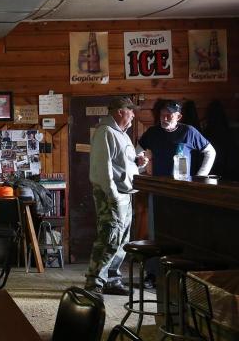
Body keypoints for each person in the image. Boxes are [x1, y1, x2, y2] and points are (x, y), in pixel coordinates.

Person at [136, 99, 216, 287]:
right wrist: (141, 163)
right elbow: (137, 152)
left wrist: (200, 177)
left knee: (182, 233)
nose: (165, 118)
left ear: (178, 116)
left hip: (182, 191)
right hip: (159, 189)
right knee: (156, 233)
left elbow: (210, 152)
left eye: (169, 115)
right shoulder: (152, 132)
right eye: (162, 114)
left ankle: (180, 275)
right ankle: (153, 275)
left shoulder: (189, 131)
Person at [85, 97, 148, 296]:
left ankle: (111, 279)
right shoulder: (105, 132)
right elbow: (103, 168)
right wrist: (112, 195)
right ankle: (94, 283)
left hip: (125, 194)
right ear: (120, 111)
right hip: (111, 194)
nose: (133, 115)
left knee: (122, 240)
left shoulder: (123, 135)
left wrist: (138, 163)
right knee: (109, 238)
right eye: (131, 111)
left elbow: (123, 164)